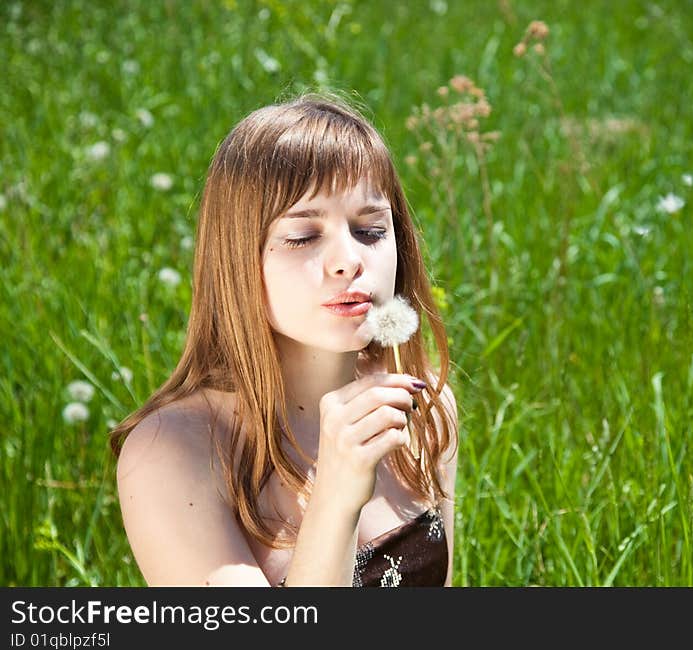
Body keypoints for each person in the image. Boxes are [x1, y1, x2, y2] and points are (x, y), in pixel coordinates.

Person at [109, 92, 459, 587]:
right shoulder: (171, 453)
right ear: (237, 261)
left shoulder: (423, 405)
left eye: (370, 230)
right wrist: (336, 496)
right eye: (302, 236)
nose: (349, 260)